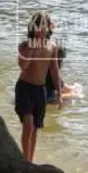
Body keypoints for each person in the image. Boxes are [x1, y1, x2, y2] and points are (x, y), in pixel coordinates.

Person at [16, 10, 62, 162]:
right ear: (32, 28)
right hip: (25, 87)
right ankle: (25, 159)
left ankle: (31, 159)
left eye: (43, 26)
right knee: (28, 124)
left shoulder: (52, 46)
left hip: (40, 90)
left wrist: (59, 93)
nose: (40, 30)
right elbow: (23, 66)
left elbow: (54, 70)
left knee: (35, 127)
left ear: (49, 28)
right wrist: (32, 49)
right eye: (37, 26)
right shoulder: (24, 46)